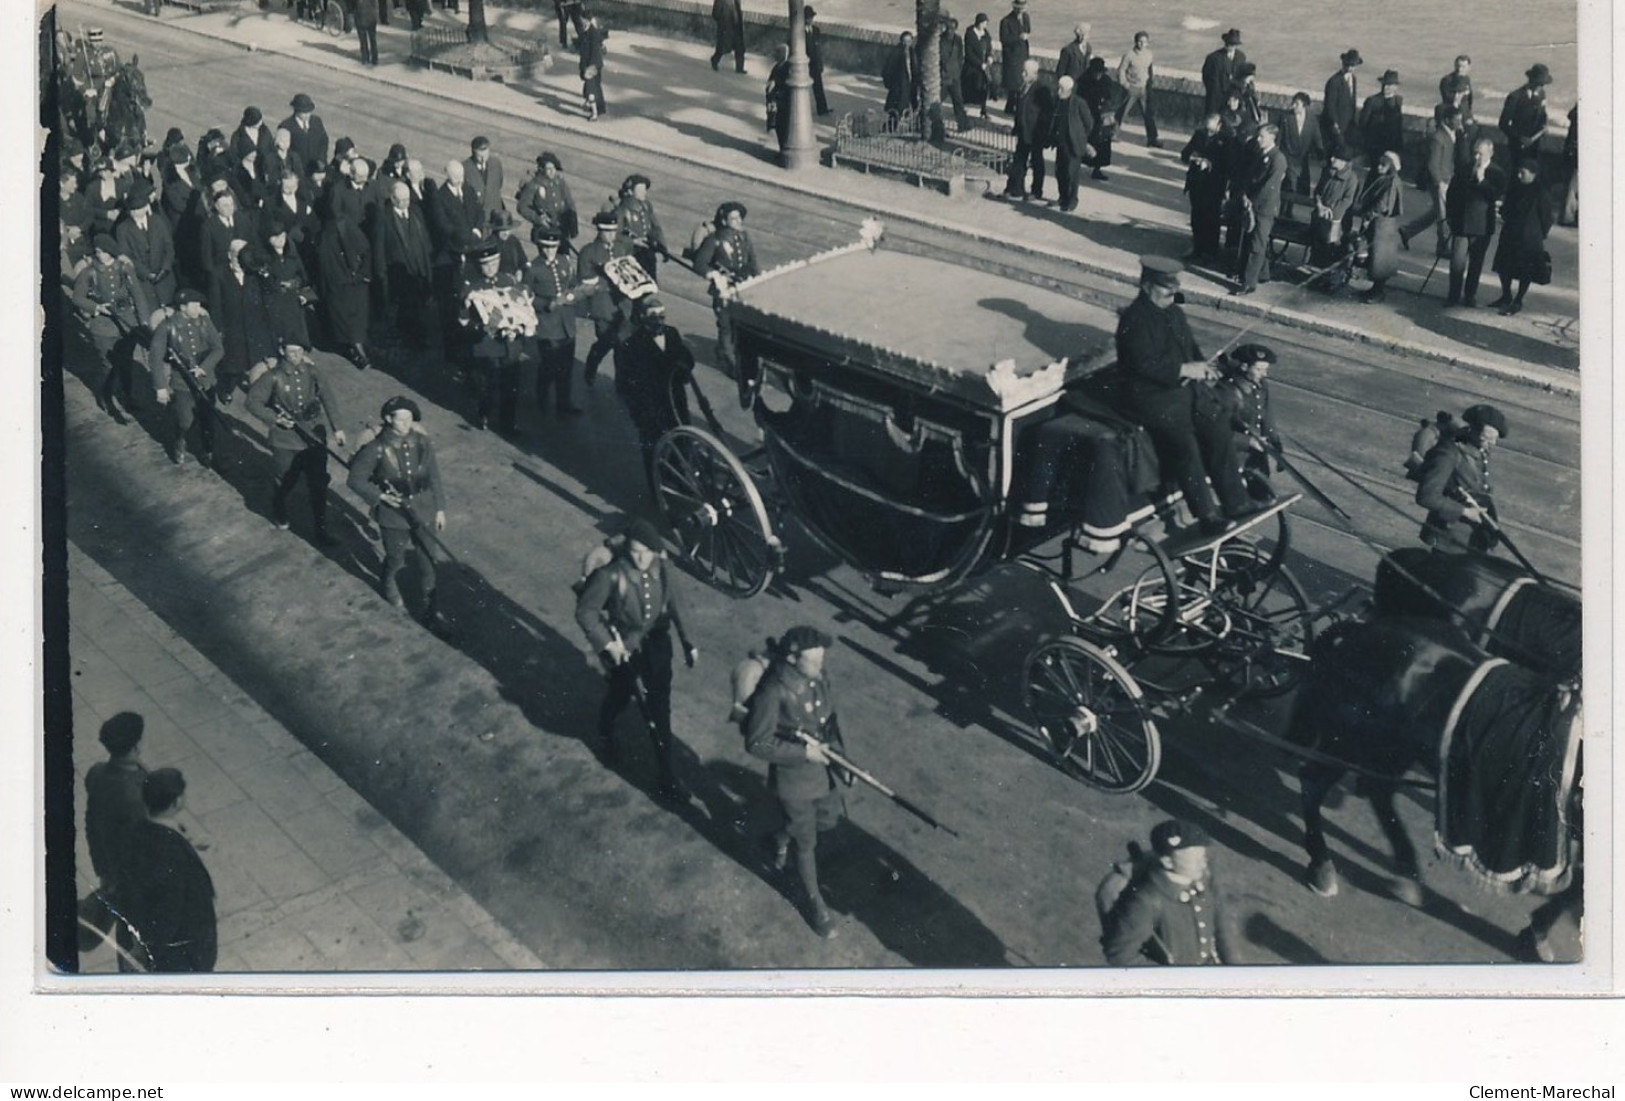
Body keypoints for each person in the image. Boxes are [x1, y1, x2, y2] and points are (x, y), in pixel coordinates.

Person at [1116, 257, 1251, 536]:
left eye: (1173, 288)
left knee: (1217, 429)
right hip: (1151, 398)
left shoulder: (1174, 313)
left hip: (1184, 390)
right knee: (1184, 444)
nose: (1171, 294)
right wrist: (1183, 369)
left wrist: (1206, 367)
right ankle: (1207, 516)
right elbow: (1142, 365)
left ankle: (1236, 502)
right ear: (1146, 285)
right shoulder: (1134, 320)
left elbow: (1190, 347)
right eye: (1165, 289)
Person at [574, 516, 698, 801]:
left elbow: (678, 605)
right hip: (624, 644)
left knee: (659, 708)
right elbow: (586, 613)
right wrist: (607, 645)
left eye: (646, 552)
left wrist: (688, 641)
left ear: (655, 551)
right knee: (620, 694)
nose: (641, 558)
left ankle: (667, 775)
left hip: (656, 641)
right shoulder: (611, 575)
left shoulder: (664, 570)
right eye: (635, 552)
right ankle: (605, 727)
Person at [743, 625, 849, 938]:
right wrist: (804, 753)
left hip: (823, 771)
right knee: (807, 842)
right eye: (813, 661)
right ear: (792, 659)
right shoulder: (773, 691)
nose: (820, 666)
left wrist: (845, 764)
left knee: (829, 819)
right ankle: (815, 904)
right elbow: (757, 743)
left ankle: (780, 837)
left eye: (821, 660)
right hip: (794, 781)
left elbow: (831, 722)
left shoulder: (819, 678)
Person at [348, 396, 451, 625]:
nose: (406, 423)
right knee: (396, 558)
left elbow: (434, 476)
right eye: (400, 419)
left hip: (424, 510)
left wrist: (440, 509)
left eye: (409, 418)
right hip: (393, 516)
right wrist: (380, 496)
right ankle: (388, 585)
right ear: (388, 419)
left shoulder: (423, 442)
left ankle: (430, 608)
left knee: (428, 560)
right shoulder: (376, 448)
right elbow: (355, 480)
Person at [246, 337, 347, 543]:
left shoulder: (312, 372)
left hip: (313, 437)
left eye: (300, 352)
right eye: (292, 352)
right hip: (285, 440)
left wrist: (338, 429)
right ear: (282, 351)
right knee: (285, 481)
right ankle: (279, 509)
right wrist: (276, 419)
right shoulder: (272, 377)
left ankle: (320, 530)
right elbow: (252, 402)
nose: (296, 357)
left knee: (318, 484)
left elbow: (328, 397)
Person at [119, 769, 217, 973]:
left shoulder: (135, 832)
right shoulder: (172, 854)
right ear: (176, 802)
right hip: (182, 953)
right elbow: (169, 911)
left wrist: (185, 840)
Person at [1101, 819, 1227, 966]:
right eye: (1194, 859)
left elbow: (1220, 926)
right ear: (1168, 862)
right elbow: (1120, 954)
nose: (1203, 863)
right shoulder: (1147, 900)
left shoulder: (1202, 879)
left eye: (1203, 856)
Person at [72, 233, 156, 422]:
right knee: (108, 366)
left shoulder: (124, 269)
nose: (98, 253)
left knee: (126, 364)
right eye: (97, 251)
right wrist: (96, 308)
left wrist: (143, 321)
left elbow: (138, 295)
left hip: (127, 325)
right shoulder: (89, 272)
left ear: (110, 252)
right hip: (103, 328)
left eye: (101, 251)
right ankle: (106, 397)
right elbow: (77, 297)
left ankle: (128, 397)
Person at [614, 296, 695, 480]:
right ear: (643, 317)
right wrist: (638, 414)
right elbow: (626, 383)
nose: (659, 320)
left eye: (661, 316)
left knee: (682, 440)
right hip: (650, 406)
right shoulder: (632, 344)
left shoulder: (672, 334)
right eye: (653, 316)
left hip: (675, 401)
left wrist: (682, 370)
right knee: (652, 447)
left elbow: (687, 359)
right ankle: (656, 485)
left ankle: (679, 477)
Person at [458, 241, 533, 434]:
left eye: (494, 263)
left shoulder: (508, 282)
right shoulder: (472, 288)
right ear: (479, 266)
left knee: (511, 384)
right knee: (488, 384)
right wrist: (482, 327)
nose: (490, 268)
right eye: (485, 264)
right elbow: (463, 320)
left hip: (511, 342)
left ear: (499, 262)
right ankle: (484, 412)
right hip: (487, 343)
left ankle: (508, 423)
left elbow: (520, 308)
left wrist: (518, 328)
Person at [148, 289, 225, 466]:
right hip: (182, 383)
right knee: (185, 420)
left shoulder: (205, 322)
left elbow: (218, 348)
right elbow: (155, 356)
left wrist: (204, 368)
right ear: (183, 307)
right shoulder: (167, 326)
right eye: (195, 305)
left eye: (199, 304)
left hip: (206, 381)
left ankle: (208, 452)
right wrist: (160, 387)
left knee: (207, 418)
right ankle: (180, 439)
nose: (199, 308)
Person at [1415, 403, 1505, 553]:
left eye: (1494, 439)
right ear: (1473, 430)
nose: (1492, 444)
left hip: (1472, 540)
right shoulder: (1449, 454)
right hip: (1449, 541)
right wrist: (1465, 512)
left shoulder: (1478, 450)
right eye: (1486, 438)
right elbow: (1427, 496)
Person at [84, 713, 149, 896]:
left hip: (107, 861)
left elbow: (92, 822)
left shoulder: (96, 773)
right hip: (131, 870)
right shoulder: (135, 797)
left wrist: (102, 869)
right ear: (136, 746)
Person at [692, 201, 759, 376]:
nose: (738, 221)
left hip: (743, 287)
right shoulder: (715, 239)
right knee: (726, 325)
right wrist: (715, 276)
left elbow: (752, 262)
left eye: (739, 218)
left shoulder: (744, 237)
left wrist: (758, 280)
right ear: (724, 220)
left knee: (739, 325)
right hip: (723, 289)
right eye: (733, 218)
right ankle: (730, 363)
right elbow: (699, 264)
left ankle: (727, 353)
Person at [372, 179, 437, 347]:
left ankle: (415, 337)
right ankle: (412, 338)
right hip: (398, 273)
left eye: (407, 199)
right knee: (407, 308)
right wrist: (382, 276)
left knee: (419, 306)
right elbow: (379, 249)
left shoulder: (415, 212)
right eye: (401, 200)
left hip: (419, 268)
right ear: (393, 199)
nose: (405, 203)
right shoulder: (384, 217)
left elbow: (425, 240)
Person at [1212, 344, 1280, 500]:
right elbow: (1215, 431)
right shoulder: (1225, 391)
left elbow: (1267, 418)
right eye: (1259, 370)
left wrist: (1276, 446)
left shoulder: (1261, 386)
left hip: (1256, 458)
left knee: (1264, 498)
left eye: (1265, 369)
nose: (1264, 374)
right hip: (1232, 456)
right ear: (1244, 367)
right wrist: (1247, 442)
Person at [577, 204, 635, 387]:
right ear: (599, 231)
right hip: (603, 305)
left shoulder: (621, 248)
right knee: (607, 341)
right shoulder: (588, 252)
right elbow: (586, 281)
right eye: (606, 232)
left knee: (623, 345)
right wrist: (607, 281)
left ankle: (621, 381)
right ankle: (592, 366)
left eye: (613, 232)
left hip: (623, 304)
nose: (611, 236)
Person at [527, 230, 584, 415]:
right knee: (549, 365)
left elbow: (573, 284)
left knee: (566, 367)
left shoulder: (564, 262)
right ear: (539, 246)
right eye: (545, 247)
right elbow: (526, 297)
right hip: (548, 325)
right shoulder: (533, 268)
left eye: (553, 247)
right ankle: (542, 398)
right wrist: (545, 304)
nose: (549, 251)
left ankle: (563, 403)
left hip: (566, 323)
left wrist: (574, 295)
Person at [1445, 137, 1506, 307]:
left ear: (1490, 154)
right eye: (1475, 153)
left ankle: (1470, 295)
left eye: (1481, 154)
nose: (1477, 157)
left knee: (1476, 263)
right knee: (1457, 262)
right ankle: (1453, 295)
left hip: (1482, 226)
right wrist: (1450, 216)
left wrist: (1482, 181)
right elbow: (1452, 193)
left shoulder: (1497, 173)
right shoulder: (1464, 168)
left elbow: (1495, 196)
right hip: (1461, 223)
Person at [1489, 156, 1553, 316]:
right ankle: (1506, 295)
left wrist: (1540, 234)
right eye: (1518, 172)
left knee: (1525, 271)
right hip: (1510, 233)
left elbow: (1547, 218)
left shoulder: (1541, 193)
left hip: (1529, 238)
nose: (1519, 176)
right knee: (1504, 267)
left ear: (1533, 174)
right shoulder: (1515, 188)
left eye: (1522, 173)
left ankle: (1518, 300)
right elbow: (1506, 208)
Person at [1232, 123, 1285, 296]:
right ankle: (1261, 274)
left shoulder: (1278, 159)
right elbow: (1249, 177)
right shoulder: (1260, 154)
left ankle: (1249, 283)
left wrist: (1251, 202)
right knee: (1251, 240)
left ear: (1272, 138)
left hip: (1264, 208)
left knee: (1257, 244)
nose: (1258, 139)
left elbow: (1268, 187)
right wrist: (1245, 195)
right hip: (1252, 204)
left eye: (1262, 136)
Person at [316, 213, 373, 369]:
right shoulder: (341, 230)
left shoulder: (331, 234)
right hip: (346, 285)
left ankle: (357, 349)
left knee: (352, 321)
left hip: (346, 284)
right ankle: (359, 353)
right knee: (352, 322)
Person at [1399, 106, 1460, 252]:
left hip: (1446, 180)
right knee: (1443, 215)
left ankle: (1407, 231)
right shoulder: (1439, 137)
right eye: (1456, 120)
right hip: (1440, 182)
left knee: (1436, 212)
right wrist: (1439, 182)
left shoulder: (1449, 134)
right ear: (1447, 120)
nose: (1459, 122)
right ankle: (1443, 247)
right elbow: (1433, 163)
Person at [113, 179, 177, 310]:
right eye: (132, 210)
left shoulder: (157, 221)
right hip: (143, 282)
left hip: (165, 279)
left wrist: (165, 268)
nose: (135, 213)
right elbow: (127, 256)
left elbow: (169, 246)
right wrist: (147, 273)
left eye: (138, 209)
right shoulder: (122, 229)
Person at [255, 218, 317, 349]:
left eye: (282, 235)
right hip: (276, 302)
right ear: (268, 239)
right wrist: (281, 284)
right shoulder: (264, 258)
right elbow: (265, 281)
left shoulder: (292, 255)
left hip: (293, 302)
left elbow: (303, 275)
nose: (280, 239)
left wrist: (296, 284)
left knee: (296, 333)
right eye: (275, 237)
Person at [1354, 150, 1404, 303]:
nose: (1379, 167)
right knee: (1375, 258)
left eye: (1383, 165)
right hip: (1380, 224)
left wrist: (1369, 216)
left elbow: (1382, 205)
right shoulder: (1385, 179)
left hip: (1382, 225)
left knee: (1380, 260)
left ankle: (1378, 291)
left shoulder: (1390, 182)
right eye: (1379, 164)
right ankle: (1375, 289)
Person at [1308, 145, 1358, 293]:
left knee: (1331, 249)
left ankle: (1330, 280)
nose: (1332, 159)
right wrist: (1320, 205)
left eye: (1336, 158)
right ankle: (1317, 277)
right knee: (1318, 248)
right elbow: (1318, 191)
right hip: (1320, 216)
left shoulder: (1351, 178)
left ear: (1344, 162)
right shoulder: (1327, 172)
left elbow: (1347, 200)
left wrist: (1332, 212)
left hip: (1337, 221)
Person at [1180, 113, 1230, 264]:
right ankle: (1197, 247)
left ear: (1219, 125)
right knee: (1196, 216)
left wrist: (1210, 163)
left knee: (1211, 218)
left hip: (1213, 185)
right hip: (1197, 182)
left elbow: (1227, 163)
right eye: (1207, 125)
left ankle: (1211, 251)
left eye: (1212, 126)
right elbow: (1184, 153)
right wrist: (1192, 157)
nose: (1208, 130)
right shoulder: (1199, 135)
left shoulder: (1225, 140)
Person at [1001, 59, 1049, 202]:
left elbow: (1046, 114)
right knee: (1019, 160)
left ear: (1034, 74)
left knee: (1037, 162)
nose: (1022, 74)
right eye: (1023, 71)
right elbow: (1019, 110)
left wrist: (1042, 133)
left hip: (1035, 133)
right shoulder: (1023, 87)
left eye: (1025, 72)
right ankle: (1015, 189)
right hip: (1023, 131)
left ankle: (1036, 191)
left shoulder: (1041, 90)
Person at [1048, 76, 1094, 214]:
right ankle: (1062, 198)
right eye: (1058, 88)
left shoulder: (1078, 103)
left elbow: (1089, 123)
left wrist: (1080, 136)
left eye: (1061, 89)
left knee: (1071, 173)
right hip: (1060, 143)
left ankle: (1072, 201)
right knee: (1060, 172)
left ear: (1069, 90)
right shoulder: (1057, 101)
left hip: (1073, 144)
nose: (1058, 91)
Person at [515, 153, 579, 252]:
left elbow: (569, 203)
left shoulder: (560, 183)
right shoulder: (534, 185)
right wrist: (538, 219)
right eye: (548, 169)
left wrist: (573, 224)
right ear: (542, 169)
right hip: (544, 230)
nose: (552, 171)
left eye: (553, 168)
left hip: (562, 229)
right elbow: (522, 207)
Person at [1277, 92, 1322, 215]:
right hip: (1288, 157)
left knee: (1296, 187)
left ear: (1304, 106)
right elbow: (1279, 138)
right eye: (1293, 103)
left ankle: (1288, 210)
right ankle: (1284, 211)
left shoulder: (1312, 120)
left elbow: (1317, 139)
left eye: (1297, 104)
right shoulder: (1285, 118)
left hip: (1302, 159)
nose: (1293, 106)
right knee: (1289, 184)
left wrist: (1321, 156)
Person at [615, 174, 668, 280]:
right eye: (640, 189)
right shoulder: (622, 211)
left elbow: (655, 227)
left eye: (644, 189)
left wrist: (662, 246)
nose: (644, 192)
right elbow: (614, 235)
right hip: (631, 255)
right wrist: (633, 241)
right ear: (630, 191)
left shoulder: (646, 206)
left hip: (647, 253)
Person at [1077, 56, 1120, 182]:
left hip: (1101, 116)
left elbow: (1110, 98)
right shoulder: (1084, 81)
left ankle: (1097, 168)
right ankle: (1077, 165)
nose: (1098, 75)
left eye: (1100, 72)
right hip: (1088, 115)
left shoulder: (1106, 81)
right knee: (1085, 141)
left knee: (1102, 143)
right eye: (1096, 72)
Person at [1115, 31, 1160, 149]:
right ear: (1135, 42)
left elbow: (1150, 70)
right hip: (1132, 88)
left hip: (1143, 88)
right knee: (1122, 112)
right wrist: (1125, 85)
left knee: (1148, 114)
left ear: (1148, 43)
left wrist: (1149, 85)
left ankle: (1152, 139)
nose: (1142, 44)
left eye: (1145, 42)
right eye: (1140, 41)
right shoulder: (1129, 55)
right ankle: (1112, 134)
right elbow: (1121, 71)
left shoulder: (1149, 54)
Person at [1499, 64, 1552, 160]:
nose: (1541, 87)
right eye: (1539, 83)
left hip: (1535, 145)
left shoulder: (1541, 94)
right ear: (1531, 80)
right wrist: (1520, 138)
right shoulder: (1515, 97)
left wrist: (1544, 125)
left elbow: (1542, 114)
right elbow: (1503, 124)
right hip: (1518, 146)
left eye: (1543, 84)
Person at [1320, 48, 1362, 161]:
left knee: (1344, 158)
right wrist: (1335, 125)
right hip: (1336, 128)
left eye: (1353, 66)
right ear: (1343, 64)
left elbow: (1352, 102)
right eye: (1348, 65)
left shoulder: (1353, 79)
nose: (1350, 68)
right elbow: (1330, 106)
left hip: (1347, 127)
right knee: (1333, 158)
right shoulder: (1334, 81)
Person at [279, 94, 329, 183]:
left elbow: (323, 141)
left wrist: (321, 160)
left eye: (309, 112)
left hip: (316, 169)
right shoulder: (287, 126)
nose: (307, 115)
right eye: (304, 112)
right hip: (298, 172)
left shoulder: (316, 122)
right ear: (296, 111)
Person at [1358, 70, 1404, 164]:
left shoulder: (1398, 101)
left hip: (1392, 146)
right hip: (1375, 146)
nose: (1386, 87)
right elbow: (1363, 123)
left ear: (1396, 87)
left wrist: (1399, 146)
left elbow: (1398, 124)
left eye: (1389, 85)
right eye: (1384, 84)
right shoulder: (1372, 101)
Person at [463, 136, 507, 227]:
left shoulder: (496, 164)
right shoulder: (465, 168)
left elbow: (499, 184)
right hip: (477, 220)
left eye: (486, 155)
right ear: (473, 152)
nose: (483, 159)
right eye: (479, 156)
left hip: (496, 217)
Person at [1201, 28, 1245, 118]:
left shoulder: (1241, 57)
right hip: (1216, 100)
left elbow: (1241, 79)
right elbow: (1207, 78)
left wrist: (1234, 97)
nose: (1231, 46)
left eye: (1233, 44)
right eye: (1229, 43)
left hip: (1233, 100)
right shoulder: (1213, 58)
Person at [997, 0, 1030, 114]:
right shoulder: (1006, 21)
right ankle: (1011, 107)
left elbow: (1028, 30)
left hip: (1023, 54)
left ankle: (1013, 107)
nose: (1021, 10)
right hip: (1012, 57)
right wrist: (1019, 37)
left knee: (1021, 83)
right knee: (1014, 84)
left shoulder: (1025, 17)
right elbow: (1004, 39)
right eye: (1019, 8)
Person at [882, 31, 920, 127]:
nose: (907, 43)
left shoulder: (913, 52)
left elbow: (915, 69)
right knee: (897, 109)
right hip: (899, 87)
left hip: (910, 86)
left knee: (911, 107)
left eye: (909, 41)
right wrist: (891, 84)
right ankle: (890, 127)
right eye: (905, 41)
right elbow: (887, 70)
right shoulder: (896, 53)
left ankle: (912, 126)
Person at [938, 16, 969, 131]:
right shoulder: (939, 40)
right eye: (948, 28)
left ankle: (962, 125)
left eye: (953, 28)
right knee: (936, 102)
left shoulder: (958, 40)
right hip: (943, 77)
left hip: (955, 76)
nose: (950, 30)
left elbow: (960, 56)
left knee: (958, 101)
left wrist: (958, 70)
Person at [963, 12, 994, 119]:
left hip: (984, 68)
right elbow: (969, 53)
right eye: (984, 23)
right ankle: (964, 107)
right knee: (969, 88)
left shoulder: (986, 34)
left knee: (984, 89)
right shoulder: (970, 34)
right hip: (972, 68)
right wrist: (980, 64)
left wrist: (989, 56)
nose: (985, 25)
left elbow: (989, 47)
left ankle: (983, 109)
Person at [579, 13, 608, 120]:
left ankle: (594, 114)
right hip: (592, 64)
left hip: (592, 66)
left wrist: (590, 68)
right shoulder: (588, 32)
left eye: (583, 20)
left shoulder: (592, 33)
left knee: (591, 89)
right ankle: (600, 108)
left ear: (588, 21)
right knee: (595, 87)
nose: (581, 22)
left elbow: (594, 51)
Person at [765, 43, 793, 150]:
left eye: (777, 54)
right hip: (775, 101)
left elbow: (785, 84)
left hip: (781, 102)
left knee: (782, 126)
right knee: (779, 127)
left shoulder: (786, 67)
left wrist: (775, 84)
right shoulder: (778, 66)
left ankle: (783, 148)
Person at [804, 6, 830, 116]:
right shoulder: (798, 32)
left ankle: (822, 108)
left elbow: (818, 49)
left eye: (811, 17)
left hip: (814, 64)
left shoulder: (816, 30)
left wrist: (820, 63)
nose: (810, 20)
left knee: (818, 86)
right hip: (804, 64)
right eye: (808, 17)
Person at [710, 0, 745, 74]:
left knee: (739, 47)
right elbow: (715, 14)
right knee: (723, 46)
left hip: (736, 26)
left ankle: (739, 67)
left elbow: (738, 12)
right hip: (725, 26)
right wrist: (722, 22)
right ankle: (715, 60)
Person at [353, 0, 380, 67]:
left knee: (363, 38)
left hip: (361, 12)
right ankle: (375, 58)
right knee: (373, 38)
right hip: (372, 13)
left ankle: (365, 57)